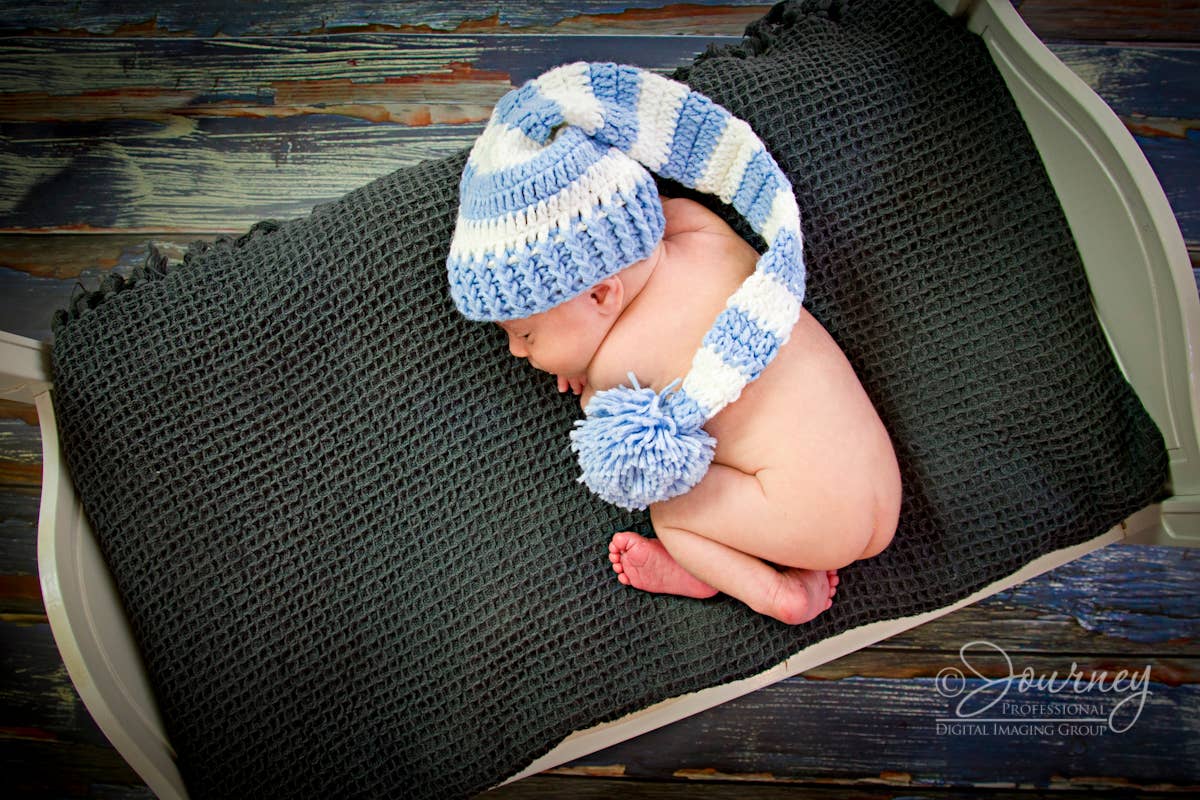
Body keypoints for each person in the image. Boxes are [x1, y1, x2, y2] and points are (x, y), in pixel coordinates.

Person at [447, 62, 900, 624]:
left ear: (601, 297)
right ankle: (795, 551)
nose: (517, 352)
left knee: (673, 515)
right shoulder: (702, 233)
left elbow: (608, 418)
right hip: (879, 480)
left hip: (804, 510)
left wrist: (586, 370)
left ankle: (769, 591)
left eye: (525, 333)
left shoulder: (619, 364)